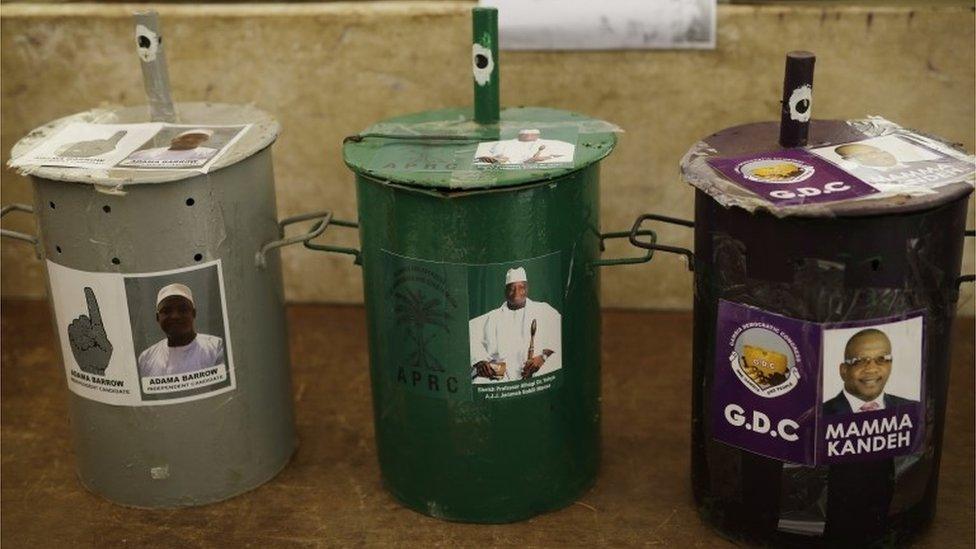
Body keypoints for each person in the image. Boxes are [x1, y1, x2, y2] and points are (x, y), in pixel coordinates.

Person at [469, 267, 561, 382]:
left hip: (536, 372)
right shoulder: (492, 317)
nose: (516, 293)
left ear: (527, 289)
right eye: (512, 289)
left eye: (521, 288)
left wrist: (543, 356)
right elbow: (469, 334)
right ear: (505, 291)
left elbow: (560, 333)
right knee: (480, 381)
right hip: (502, 377)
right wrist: (480, 361)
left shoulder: (544, 310)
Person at [137, 283, 224, 377]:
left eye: (183, 309)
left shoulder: (216, 348)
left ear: (194, 313)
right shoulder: (146, 358)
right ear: (158, 318)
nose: (175, 316)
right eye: (166, 311)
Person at [822, 328, 916, 415]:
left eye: (881, 359)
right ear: (844, 371)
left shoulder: (912, 410)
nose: (871, 369)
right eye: (860, 361)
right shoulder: (820, 415)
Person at [475, 129, 575, 166]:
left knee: (536, 157)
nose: (528, 136)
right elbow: (497, 148)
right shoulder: (508, 143)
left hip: (531, 159)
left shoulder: (547, 143)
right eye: (525, 134)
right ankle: (499, 159)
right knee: (503, 154)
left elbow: (561, 152)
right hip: (506, 159)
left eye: (531, 134)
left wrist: (548, 157)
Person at [124, 129, 218, 164]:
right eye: (187, 137)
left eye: (198, 138)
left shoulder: (207, 153)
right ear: (174, 140)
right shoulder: (145, 154)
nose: (191, 140)